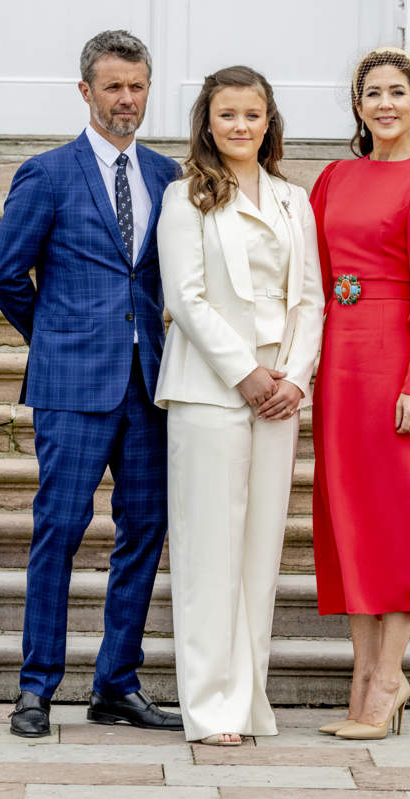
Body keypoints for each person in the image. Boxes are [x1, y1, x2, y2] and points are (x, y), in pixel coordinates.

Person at [0, 29, 183, 738]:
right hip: (71, 385)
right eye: (112, 87)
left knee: (145, 533)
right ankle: (35, 688)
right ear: (86, 91)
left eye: (136, 87)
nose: (125, 100)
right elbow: (3, 274)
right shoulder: (48, 173)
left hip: (151, 384)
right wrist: (56, 337)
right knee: (59, 531)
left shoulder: (169, 177)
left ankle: (116, 686)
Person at [309, 46, 410, 740]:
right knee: (348, 517)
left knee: (398, 519)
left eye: (396, 93)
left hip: (392, 364)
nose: (384, 104)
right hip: (337, 363)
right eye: (371, 93)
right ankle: (361, 671)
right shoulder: (333, 178)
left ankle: (389, 677)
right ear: (357, 106)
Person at [154, 66, 323, 746]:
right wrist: (245, 373)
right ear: (208, 122)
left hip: (279, 396)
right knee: (208, 554)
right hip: (209, 390)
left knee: (259, 555)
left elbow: (308, 297)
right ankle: (211, 707)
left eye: (253, 113)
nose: (241, 126)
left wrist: (295, 378)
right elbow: (186, 299)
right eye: (228, 114)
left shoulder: (293, 199)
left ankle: (249, 701)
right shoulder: (183, 197)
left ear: (269, 120)